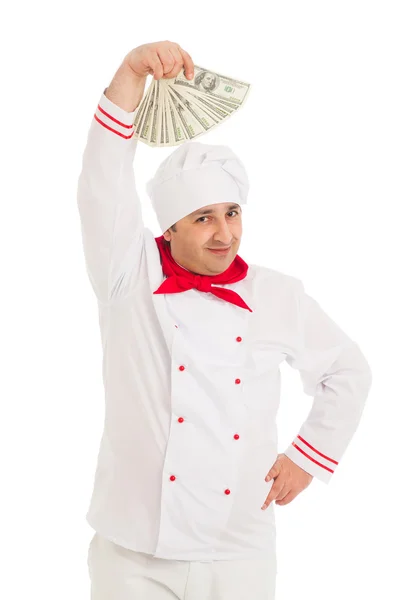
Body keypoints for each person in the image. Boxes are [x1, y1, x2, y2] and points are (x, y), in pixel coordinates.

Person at [77, 40, 373, 600]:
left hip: (237, 546)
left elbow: (348, 371)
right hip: (132, 549)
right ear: (168, 229)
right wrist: (129, 74)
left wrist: (310, 458)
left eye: (232, 213)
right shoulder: (127, 277)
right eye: (204, 218)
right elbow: (101, 184)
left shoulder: (277, 293)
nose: (224, 233)